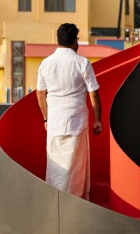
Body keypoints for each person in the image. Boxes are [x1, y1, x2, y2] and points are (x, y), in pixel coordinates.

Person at [36, 22, 102, 199]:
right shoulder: (82, 63)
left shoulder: (46, 63)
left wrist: (45, 119)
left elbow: (40, 94)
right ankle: (74, 202)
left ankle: (55, 200)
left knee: (55, 164)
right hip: (76, 121)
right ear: (75, 41)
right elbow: (93, 94)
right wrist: (98, 120)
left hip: (55, 122)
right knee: (76, 166)